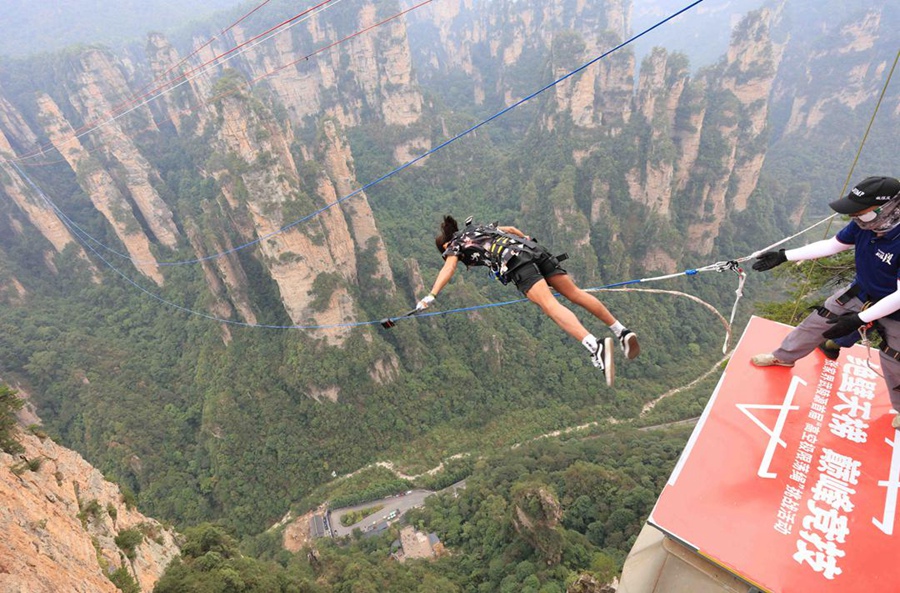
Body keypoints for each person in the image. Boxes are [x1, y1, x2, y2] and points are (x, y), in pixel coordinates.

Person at [416, 216, 640, 386]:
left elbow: (448, 268)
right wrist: (527, 251)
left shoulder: (453, 245)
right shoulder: (478, 228)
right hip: (534, 250)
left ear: (445, 247)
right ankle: (621, 331)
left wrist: (431, 295)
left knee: (550, 306)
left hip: (514, 262)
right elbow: (513, 230)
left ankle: (596, 346)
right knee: (575, 293)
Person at [751, 176, 900, 429]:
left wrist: (859, 319)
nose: (855, 217)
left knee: (894, 358)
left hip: (896, 309)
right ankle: (784, 356)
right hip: (861, 292)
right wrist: (785, 256)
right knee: (819, 320)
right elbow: (834, 245)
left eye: (861, 212)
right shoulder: (865, 225)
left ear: (889, 208)